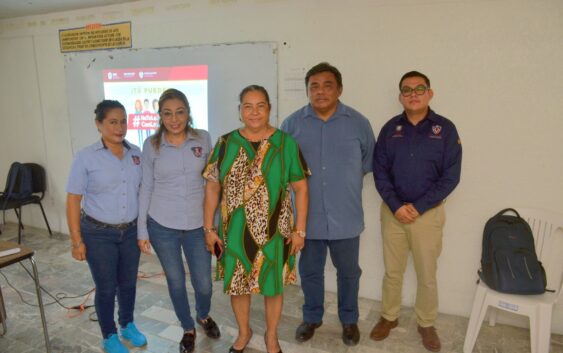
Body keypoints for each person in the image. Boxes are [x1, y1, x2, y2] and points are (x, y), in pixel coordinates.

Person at [203, 85, 309, 353]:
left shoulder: (286, 143)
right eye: (247, 106)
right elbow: (213, 188)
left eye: (260, 105)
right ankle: (244, 331)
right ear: (239, 111)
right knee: (238, 287)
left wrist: (300, 231)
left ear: (269, 109)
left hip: (277, 232)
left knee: (273, 288)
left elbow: (301, 189)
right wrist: (208, 228)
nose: (254, 112)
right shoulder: (225, 143)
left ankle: (271, 336)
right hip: (235, 231)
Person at [280, 62, 376, 346]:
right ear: (307, 90)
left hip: (346, 217)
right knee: (310, 271)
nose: (320, 91)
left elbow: (368, 163)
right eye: (314, 86)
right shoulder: (292, 124)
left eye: (327, 85)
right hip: (306, 220)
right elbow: (284, 169)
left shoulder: (359, 123)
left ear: (339, 89)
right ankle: (312, 317)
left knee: (349, 273)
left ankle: (349, 320)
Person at [371, 71, 462, 352]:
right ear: (400, 96)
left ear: (429, 94)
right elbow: (380, 171)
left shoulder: (445, 129)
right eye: (407, 90)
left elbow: (451, 176)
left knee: (427, 273)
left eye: (419, 88)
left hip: (428, 215)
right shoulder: (389, 129)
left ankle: (426, 323)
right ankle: (389, 316)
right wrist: (397, 206)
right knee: (393, 271)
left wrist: (418, 207)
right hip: (393, 214)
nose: (413, 94)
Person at [137, 89, 220, 353]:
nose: (174, 119)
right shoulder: (151, 145)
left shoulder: (203, 138)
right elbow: (146, 187)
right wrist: (142, 229)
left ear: (188, 112)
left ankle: (203, 315)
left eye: (180, 112)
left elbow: (213, 182)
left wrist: (214, 225)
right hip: (162, 225)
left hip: (198, 225)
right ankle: (188, 327)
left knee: (204, 283)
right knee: (175, 281)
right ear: (160, 116)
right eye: (167, 113)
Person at [66, 100, 147, 353]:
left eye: (123, 121)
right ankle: (109, 334)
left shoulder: (136, 154)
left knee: (128, 283)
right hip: (98, 233)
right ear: (99, 124)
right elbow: (73, 199)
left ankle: (127, 324)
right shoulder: (86, 157)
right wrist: (76, 241)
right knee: (106, 286)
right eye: (113, 122)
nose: (120, 127)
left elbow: (143, 192)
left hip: (130, 231)